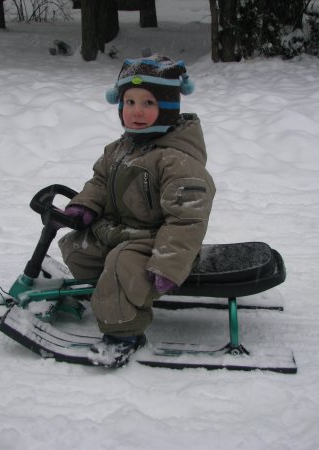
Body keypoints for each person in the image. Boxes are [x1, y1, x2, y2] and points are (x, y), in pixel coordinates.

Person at [56, 54, 216, 367]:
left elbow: (187, 220)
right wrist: (85, 206)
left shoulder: (176, 160)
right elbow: (100, 182)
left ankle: (123, 333)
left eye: (148, 103)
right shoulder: (119, 148)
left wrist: (168, 263)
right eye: (129, 102)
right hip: (121, 233)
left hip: (156, 243)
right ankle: (108, 293)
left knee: (123, 264)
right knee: (77, 248)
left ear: (167, 107)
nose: (136, 111)